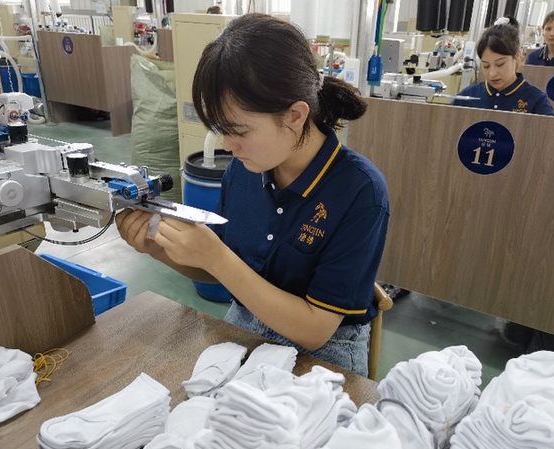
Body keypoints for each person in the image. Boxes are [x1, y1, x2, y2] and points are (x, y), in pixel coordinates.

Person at [116, 13, 390, 377]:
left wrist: (215, 257)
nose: (228, 145)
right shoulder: (245, 167)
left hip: (324, 353)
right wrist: (157, 247)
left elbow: (315, 330)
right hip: (246, 323)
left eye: (239, 131)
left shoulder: (360, 191)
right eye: (220, 129)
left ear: (295, 115)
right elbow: (218, 270)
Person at [452, 17, 554, 116]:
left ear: (517, 57)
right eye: (486, 66)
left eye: (500, 64)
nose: (492, 74)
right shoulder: (467, 96)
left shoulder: (536, 101)